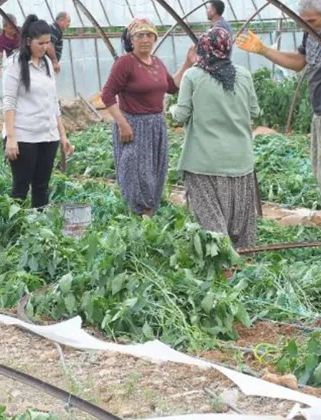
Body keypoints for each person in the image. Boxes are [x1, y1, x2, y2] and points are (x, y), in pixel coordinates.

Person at [235, 0, 321, 235]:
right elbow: (299, 63)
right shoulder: (311, 33)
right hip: (320, 111)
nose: (308, 25)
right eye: (303, 22)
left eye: (312, 21)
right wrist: (264, 50)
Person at [170, 28, 259, 248]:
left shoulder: (193, 75)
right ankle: (243, 262)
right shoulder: (244, 75)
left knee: (211, 219)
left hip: (204, 161)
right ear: (227, 49)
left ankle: (222, 264)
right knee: (239, 217)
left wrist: (171, 109)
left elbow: (181, 115)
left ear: (202, 48)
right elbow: (255, 111)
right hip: (240, 160)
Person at [100, 16, 195, 216]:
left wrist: (187, 62)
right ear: (131, 40)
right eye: (139, 35)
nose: (145, 39)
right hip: (133, 125)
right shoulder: (125, 63)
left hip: (155, 126)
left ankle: (148, 217)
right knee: (135, 174)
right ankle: (136, 217)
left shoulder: (157, 63)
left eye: (149, 35)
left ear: (155, 38)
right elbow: (107, 94)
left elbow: (171, 87)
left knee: (154, 172)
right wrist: (122, 124)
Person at [2, 15, 74, 209]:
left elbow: (53, 102)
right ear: (28, 41)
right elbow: (9, 102)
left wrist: (63, 136)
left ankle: (38, 232)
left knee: (41, 187)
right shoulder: (14, 63)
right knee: (21, 188)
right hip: (24, 135)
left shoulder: (47, 64)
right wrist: (11, 137)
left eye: (47, 43)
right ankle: (15, 231)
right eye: (40, 43)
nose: (45, 47)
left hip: (47, 135)